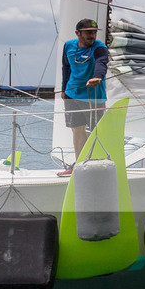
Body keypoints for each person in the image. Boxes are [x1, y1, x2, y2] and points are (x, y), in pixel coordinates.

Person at [60, 17, 109, 174]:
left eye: (94, 32)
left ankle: (98, 164)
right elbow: (66, 67)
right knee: (77, 130)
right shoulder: (68, 45)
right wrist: (63, 89)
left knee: (97, 131)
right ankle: (80, 165)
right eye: (88, 33)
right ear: (78, 33)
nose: (92, 36)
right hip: (72, 94)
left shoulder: (99, 47)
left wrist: (97, 77)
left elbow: (101, 62)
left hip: (93, 96)